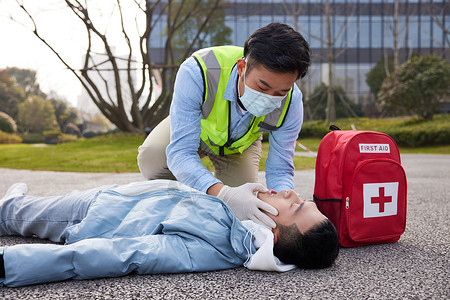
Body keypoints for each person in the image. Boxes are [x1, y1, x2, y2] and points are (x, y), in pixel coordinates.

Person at [137, 22, 311, 229]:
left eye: (280, 93)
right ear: (242, 67)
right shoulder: (198, 70)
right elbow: (181, 152)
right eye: (262, 86)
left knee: (241, 212)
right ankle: (189, 192)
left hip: (241, 145)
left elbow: (281, 168)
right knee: (153, 156)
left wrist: (284, 205)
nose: (269, 98)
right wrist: (221, 192)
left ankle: (203, 186)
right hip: (195, 129)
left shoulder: (292, 101)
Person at [0, 181, 338, 287]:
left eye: (295, 208)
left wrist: (9, 265)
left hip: (97, 214)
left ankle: (13, 204)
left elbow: (124, 255)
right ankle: (18, 201)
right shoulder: (241, 220)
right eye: (303, 200)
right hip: (126, 196)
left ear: (272, 234)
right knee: (27, 210)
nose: (293, 195)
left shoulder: (209, 249)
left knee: (15, 215)